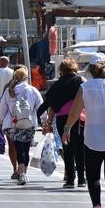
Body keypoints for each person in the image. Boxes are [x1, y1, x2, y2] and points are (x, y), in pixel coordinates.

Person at [62, 53, 105, 208]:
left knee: (93, 176)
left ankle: (96, 206)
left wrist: (66, 130)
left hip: (92, 139)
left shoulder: (85, 87)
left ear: (90, 69)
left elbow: (74, 112)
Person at [42, 58, 86, 188]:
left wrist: (49, 122)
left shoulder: (56, 85)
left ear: (61, 69)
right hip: (78, 118)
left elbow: (51, 106)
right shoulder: (81, 81)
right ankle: (82, 179)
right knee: (79, 148)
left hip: (61, 118)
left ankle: (70, 179)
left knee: (67, 148)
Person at [0, 67, 43, 185]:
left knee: (18, 148)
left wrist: (0, 120)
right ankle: (23, 173)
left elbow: (2, 108)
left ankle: (21, 172)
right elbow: (40, 107)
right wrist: (46, 121)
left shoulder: (9, 90)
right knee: (25, 149)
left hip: (13, 124)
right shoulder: (33, 90)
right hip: (29, 123)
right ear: (25, 78)